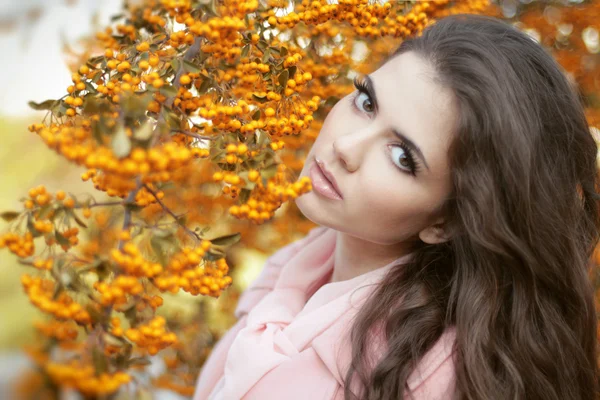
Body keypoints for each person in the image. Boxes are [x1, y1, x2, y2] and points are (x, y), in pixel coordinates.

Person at [193, 13, 600, 400]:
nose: (345, 147)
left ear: (445, 223)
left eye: (402, 157)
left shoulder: (429, 379)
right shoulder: (296, 269)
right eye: (366, 102)